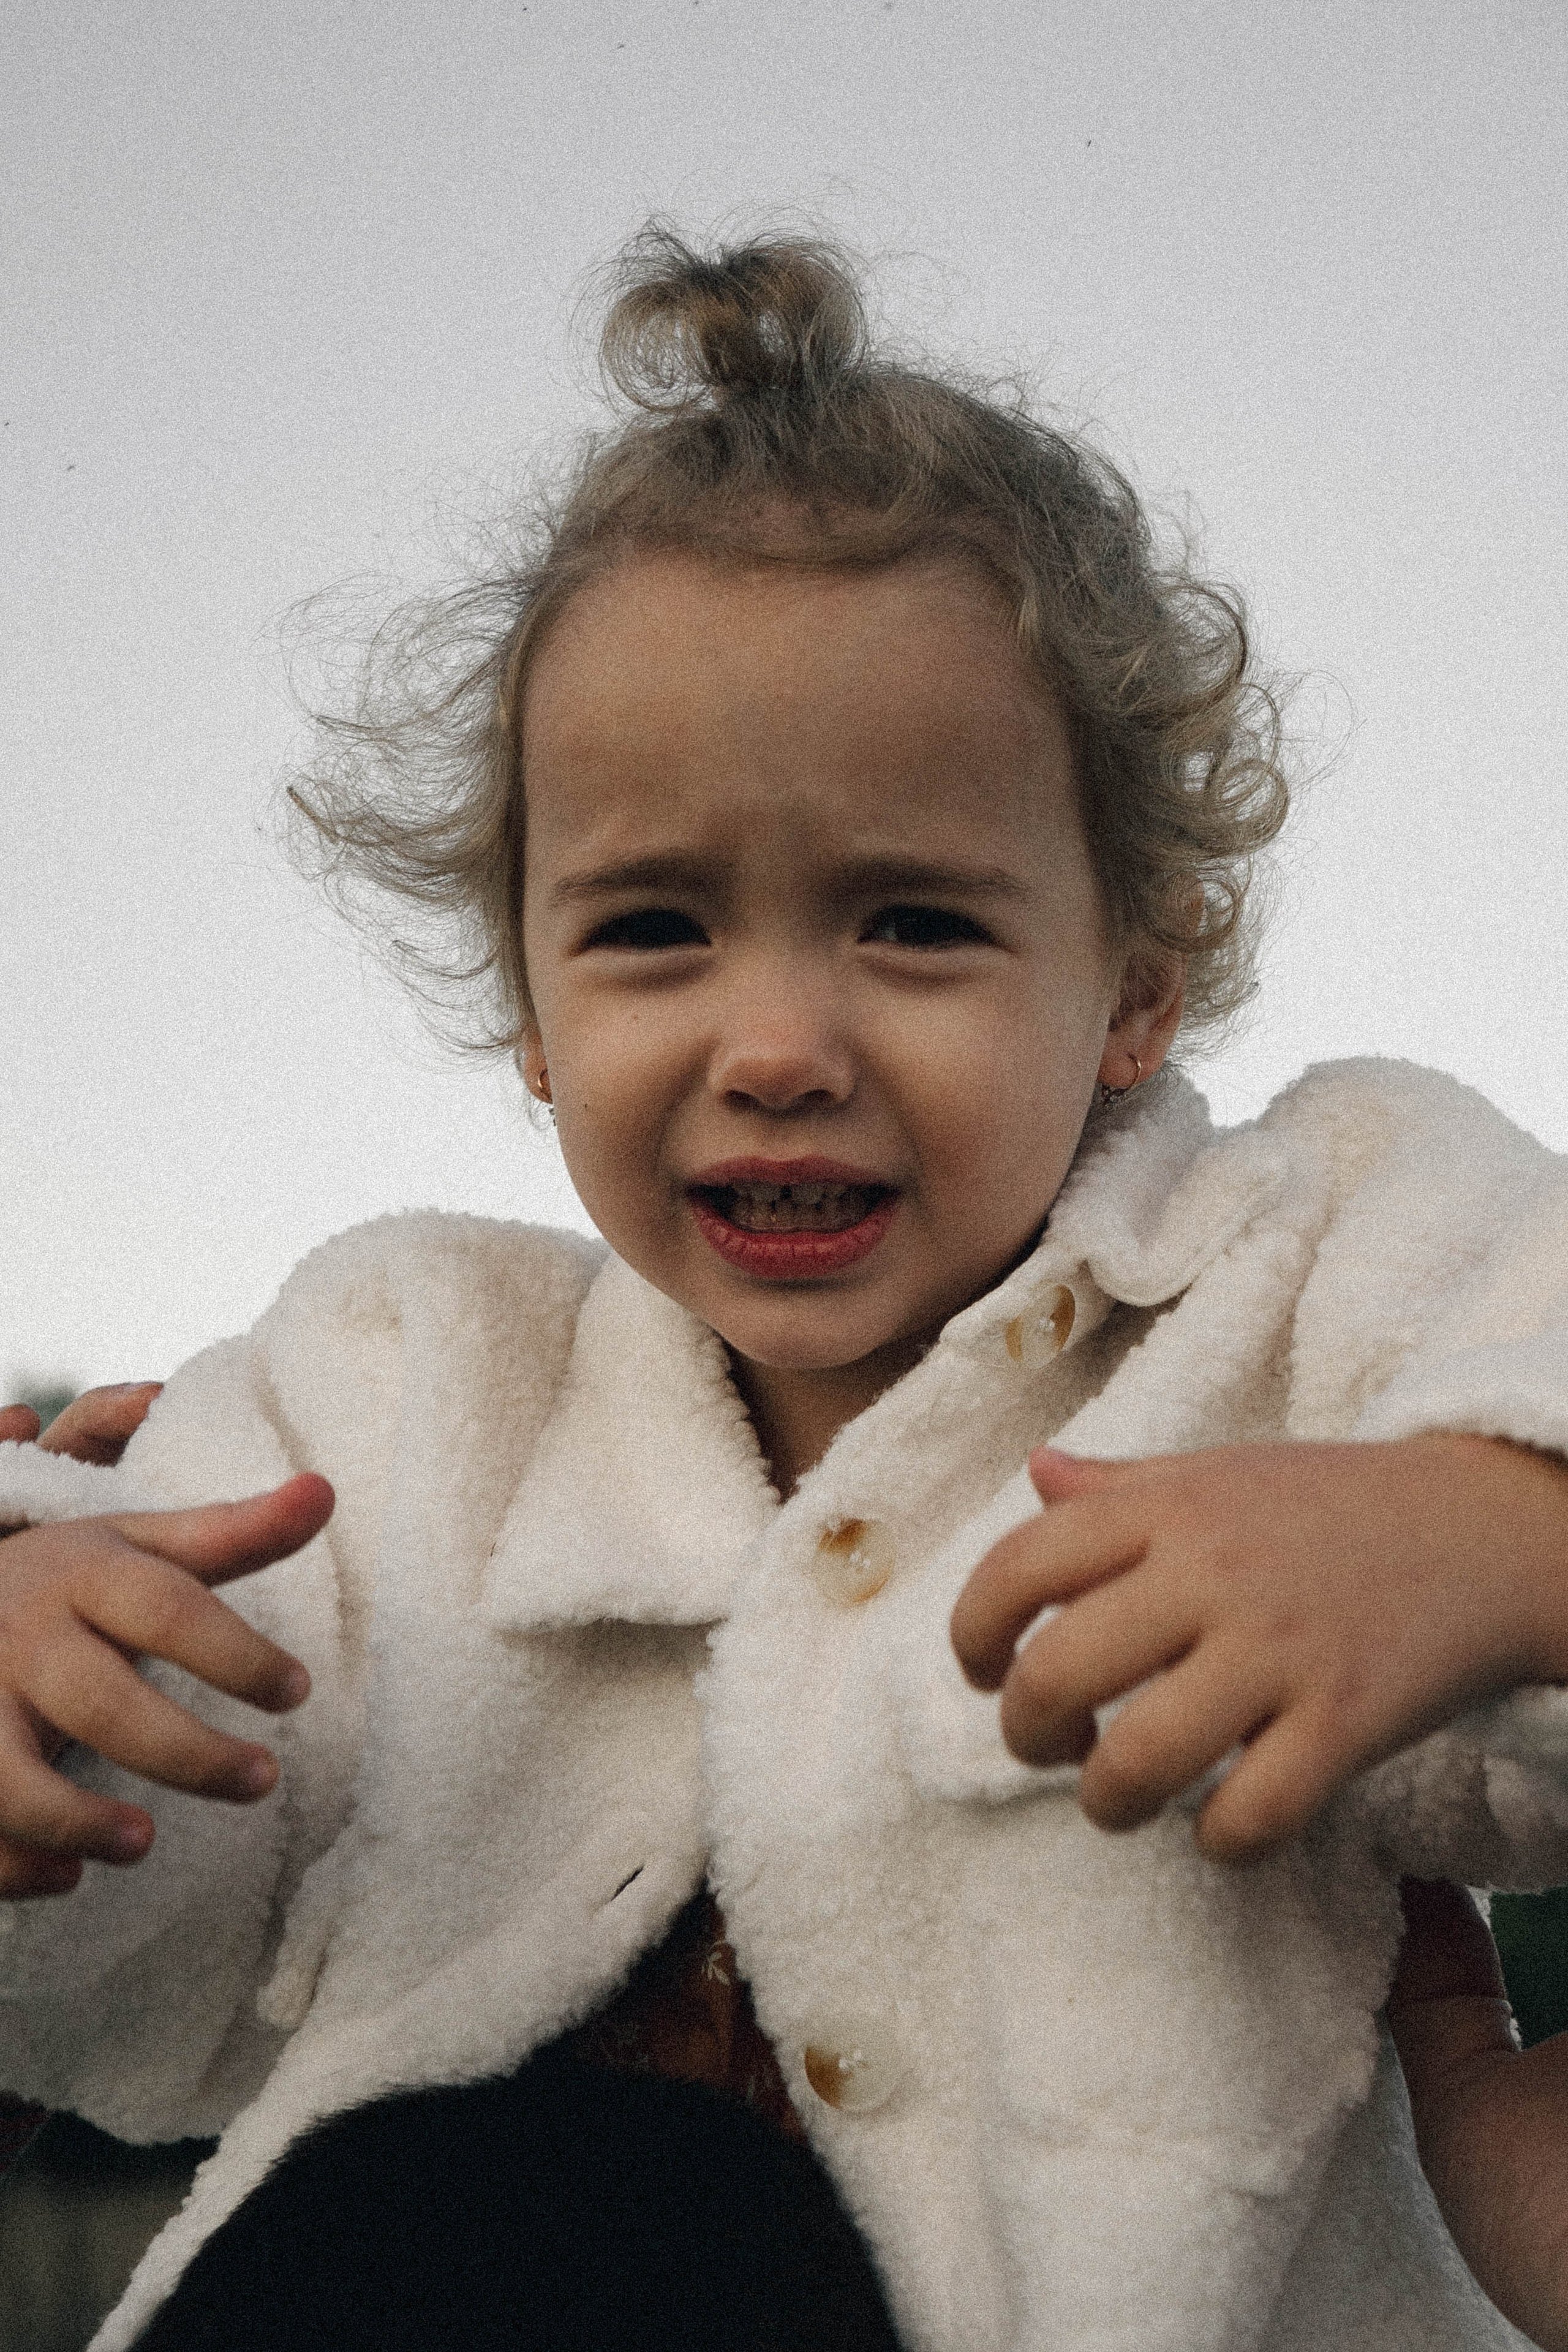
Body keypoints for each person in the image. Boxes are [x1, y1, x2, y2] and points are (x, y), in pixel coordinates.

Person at [4, 230, 1568, 2352]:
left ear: (1134, 982)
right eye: (653, 928)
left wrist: (1494, 1533)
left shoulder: (1319, 1271)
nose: (777, 1043)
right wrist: (47, 1687)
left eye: (912, 922)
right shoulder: (397, 1383)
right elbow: (125, 1979)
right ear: (534, 1016)